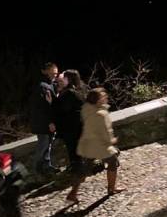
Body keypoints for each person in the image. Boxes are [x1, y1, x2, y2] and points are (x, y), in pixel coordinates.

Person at [76, 88, 123, 195]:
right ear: (98, 100)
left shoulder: (87, 109)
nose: (106, 97)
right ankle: (111, 189)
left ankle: (73, 193)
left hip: (88, 143)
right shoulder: (100, 114)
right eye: (103, 97)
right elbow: (106, 132)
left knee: (85, 169)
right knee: (112, 162)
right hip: (99, 145)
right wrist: (112, 140)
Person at [53, 69, 86, 203]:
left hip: (72, 132)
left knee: (77, 160)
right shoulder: (72, 92)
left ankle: (74, 191)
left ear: (69, 79)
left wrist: (54, 101)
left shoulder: (70, 94)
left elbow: (64, 111)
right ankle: (74, 190)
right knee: (78, 160)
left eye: (64, 78)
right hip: (73, 131)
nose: (61, 79)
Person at [29, 62, 59, 174]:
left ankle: (47, 166)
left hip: (45, 122)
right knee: (44, 144)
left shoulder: (49, 85)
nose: (55, 75)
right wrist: (49, 122)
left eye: (56, 73)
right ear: (45, 71)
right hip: (43, 123)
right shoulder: (43, 86)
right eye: (53, 72)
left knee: (48, 144)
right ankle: (36, 170)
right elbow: (43, 107)